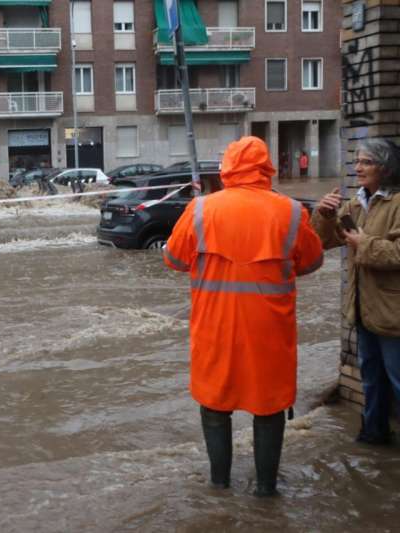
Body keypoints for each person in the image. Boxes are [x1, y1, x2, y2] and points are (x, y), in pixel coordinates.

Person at [163, 137, 324, 497]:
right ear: (266, 168)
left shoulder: (202, 210)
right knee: (269, 408)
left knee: (215, 405)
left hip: (215, 329)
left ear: (227, 169)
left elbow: (173, 260)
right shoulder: (291, 211)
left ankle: (219, 486)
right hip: (270, 331)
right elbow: (312, 262)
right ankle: (266, 490)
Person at [311, 138, 400, 445]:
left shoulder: (398, 204)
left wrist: (365, 245)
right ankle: (374, 433)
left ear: (385, 168)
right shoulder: (354, 204)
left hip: (392, 313)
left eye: (366, 162)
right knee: (371, 378)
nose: (358, 168)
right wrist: (323, 215)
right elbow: (325, 242)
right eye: (357, 162)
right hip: (362, 310)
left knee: (398, 381)